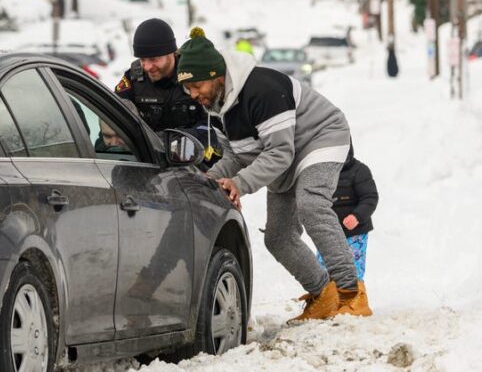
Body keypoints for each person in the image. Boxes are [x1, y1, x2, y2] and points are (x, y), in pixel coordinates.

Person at [177, 27, 371, 322]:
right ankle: (324, 295)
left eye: (196, 86)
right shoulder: (217, 107)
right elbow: (236, 156)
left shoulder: (261, 89)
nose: (193, 95)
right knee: (278, 237)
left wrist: (240, 184)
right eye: (187, 90)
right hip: (285, 153)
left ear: (216, 75)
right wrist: (209, 179)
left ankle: (351, 293)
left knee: (312, 205)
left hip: (319, 137)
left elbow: (280, 153)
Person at [114, 19, 221, 164]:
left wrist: (184, 139)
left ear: (171, 53)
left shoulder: (194, 74)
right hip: (150, 161)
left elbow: (216, 126)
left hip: (195, 162)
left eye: (153, 59)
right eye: (142, 59)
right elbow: (114, 113)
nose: (147, 67)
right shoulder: (133, 79)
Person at [317, 156, 378, 286]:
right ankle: (324, 296)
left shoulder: (359, 170)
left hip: (354, 233)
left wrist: (357, 216)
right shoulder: (320, 170)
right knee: (322, 267)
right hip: (327, 232)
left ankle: (355, 297)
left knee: (353, 268)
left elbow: (370, 198)